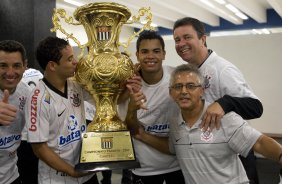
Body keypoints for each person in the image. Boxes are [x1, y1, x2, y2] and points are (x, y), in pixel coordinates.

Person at [127, 64, 282, 184]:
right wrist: (142, 135)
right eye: (178, 86)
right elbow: (172, 147)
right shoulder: (175, 120)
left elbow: (259, 143)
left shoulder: (222, 118)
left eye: (191, 86)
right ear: (171, 92)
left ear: (202, 90)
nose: (184, 91)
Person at [172, 17, 263, 183]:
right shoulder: (192, 71)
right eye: (177, 40)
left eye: (187, 37)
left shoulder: (222, 69)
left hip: (234, 156)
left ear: (203, 39)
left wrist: (224, 103)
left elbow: (256, 107)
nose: (181, 43)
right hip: (207, 155)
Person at [24, 36, 99, 184]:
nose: (76, 62)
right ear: (52, 65)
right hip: (59, 178)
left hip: (88, 174)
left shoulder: (75, 85)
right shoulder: (37, 99)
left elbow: (103, 98)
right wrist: (72, 171)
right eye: (70, 59)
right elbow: (40, 148)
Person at [119, 30, 185, 184]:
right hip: (144, 170)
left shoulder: (177, 77)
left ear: (164, 54)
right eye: (144, 52)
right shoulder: (127, 86)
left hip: (179, 166)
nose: (150, 56)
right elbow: (131, 129)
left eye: (156, 51)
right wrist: (131, 109)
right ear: (137, 55)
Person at [0, 40, 31, 184]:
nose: (10, 73)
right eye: (3, 66)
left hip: (11, 175)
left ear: (25, 66)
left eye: (17, 66)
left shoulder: (26, 91)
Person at [17, 67, 43, 184]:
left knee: (26, 174)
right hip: (38, 133)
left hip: (22, 136)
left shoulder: (18, 78)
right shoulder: (38, 73)